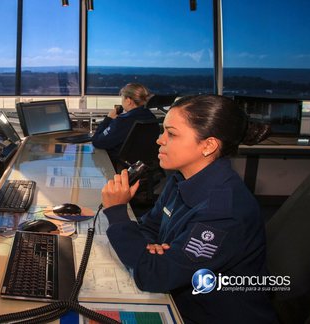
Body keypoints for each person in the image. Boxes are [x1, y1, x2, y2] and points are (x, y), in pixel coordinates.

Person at [101, 95, 276, 323]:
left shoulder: (224, 212)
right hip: (183, 299)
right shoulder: (181, 180)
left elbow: (155, 276)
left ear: (208, 146)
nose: (159, 140)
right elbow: (150, 226)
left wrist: (116, 212)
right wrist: (151, 248)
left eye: (171, 134)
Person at [91, 83, 156, 166]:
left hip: (123, 166)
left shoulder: (123, 121)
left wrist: (108, 119)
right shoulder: (151, 116)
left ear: (128, 101)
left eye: (122, 99)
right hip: (143, 165)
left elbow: (97, 142)